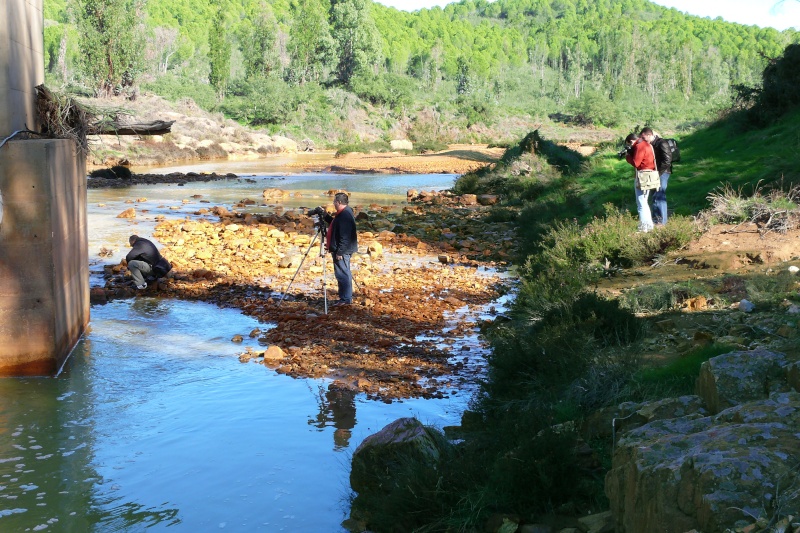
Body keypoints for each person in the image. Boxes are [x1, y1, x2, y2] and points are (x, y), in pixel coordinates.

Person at [323, 192, 358, 306]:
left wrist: (340, 252)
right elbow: (335, 224)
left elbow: (345, 236)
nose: (333, 204)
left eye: (334, 202)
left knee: (342, 274)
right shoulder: (344, 213)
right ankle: (345, 298)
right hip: (342, 248)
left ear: (338, 202)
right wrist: (325, 216)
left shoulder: (344, 215)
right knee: (343, 272)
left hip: (343, 250)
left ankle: (346, 299)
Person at [624, 132, 659, 233]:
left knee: (641, 203)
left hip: (643, 176)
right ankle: (649, 226)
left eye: (629, 144)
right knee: (645, 202)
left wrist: (628, 157)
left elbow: (636, 163)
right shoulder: (648, 144)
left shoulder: (640, 146)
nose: (630, 146)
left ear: (632, 141)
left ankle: (644, 227)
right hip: (650, 174)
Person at [640, 127, 673, 225]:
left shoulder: (662, 143)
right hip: (657, 173)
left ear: (649, 135)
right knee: (655, 196)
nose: (643, 140)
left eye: (644, 137)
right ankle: (657, 220)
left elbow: (667, 160)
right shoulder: (652, 144)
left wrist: (657, 173)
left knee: (659, 195)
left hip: (662, 173)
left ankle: (661, 222)